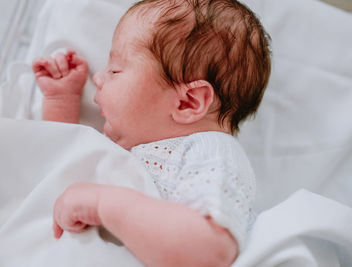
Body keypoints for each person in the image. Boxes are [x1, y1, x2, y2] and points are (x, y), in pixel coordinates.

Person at [32, 0, 271, 266]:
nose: (98, 78)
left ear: (187, 102)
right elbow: (63, 170)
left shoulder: (209, 150)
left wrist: (101, 203)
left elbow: (210, 250)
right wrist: (61, 101)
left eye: (115, 70)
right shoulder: (136, 147)